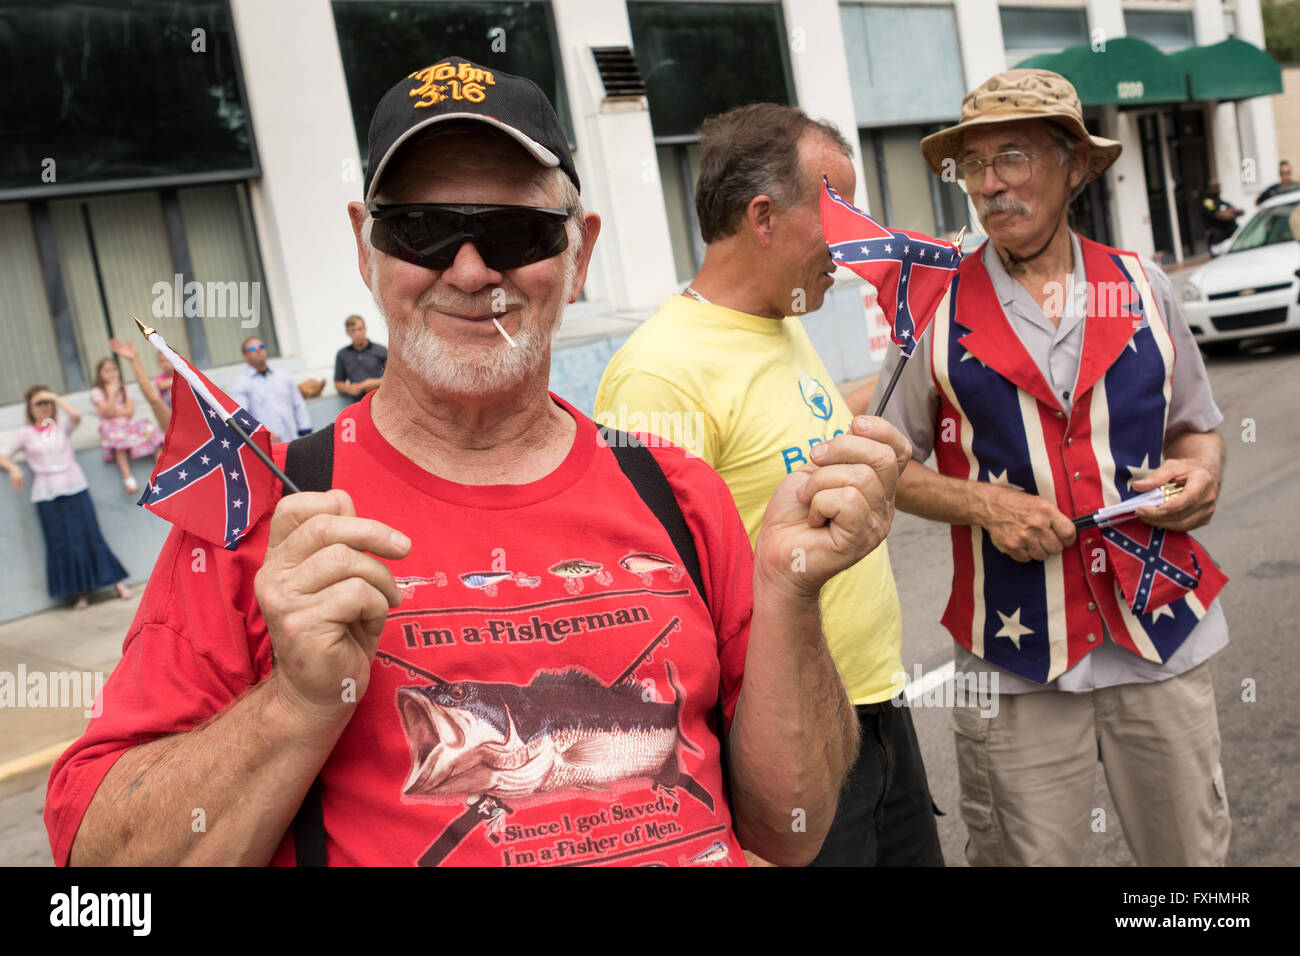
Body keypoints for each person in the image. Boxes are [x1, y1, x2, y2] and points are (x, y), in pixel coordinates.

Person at [46, 56, 911, 867]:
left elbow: (790, 831)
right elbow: (100, 863)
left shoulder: (680, 494)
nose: (466, 269)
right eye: (420, 229)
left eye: (514, 229)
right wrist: (296, 705)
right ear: (365, 248)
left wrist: (794, 596)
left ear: (579, 255)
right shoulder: (272, 515)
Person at [881, 68, 1231, 866]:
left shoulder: (1143, 287)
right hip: (1014, 660)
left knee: (1192, 874)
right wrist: (983, 505)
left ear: (1074, 165)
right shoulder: (929, 305)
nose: (990, 185)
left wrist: (1203, 477)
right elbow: (886, 465)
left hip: (1161, 636)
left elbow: (1200, 432)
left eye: (1014, 157)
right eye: (973, 166)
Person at [596, 103, 942, 867]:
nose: (854, 246)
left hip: (872, 712)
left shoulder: (783, 323)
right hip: (788, 751)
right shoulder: (660, 373)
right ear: (764, 216)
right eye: (840, 212)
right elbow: (650, 607)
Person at [1, 386, 130, 610]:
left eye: (46, 402)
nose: (43, 408)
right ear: (30, 408)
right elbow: (3, 454)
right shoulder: (25, 434)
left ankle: (115, 582)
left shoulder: (60, 427)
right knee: (63, 542)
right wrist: (13, 468)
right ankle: (81, 592)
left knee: (90, 534)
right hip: (46, 493)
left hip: (75, 486)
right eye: (38, 404)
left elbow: (76, 416)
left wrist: (55, 398)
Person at [90, 356, 163, 494]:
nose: (112, 373)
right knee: (118, 441)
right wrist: (111, 394)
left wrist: (110, 412)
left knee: (151, 431)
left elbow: (129, 411)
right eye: (107, 371)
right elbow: (107, 412)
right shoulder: (97, 392)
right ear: (100, 374)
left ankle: (162, 471)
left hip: (127, 424)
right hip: (111, 428)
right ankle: (128, 478)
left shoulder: (125, 388)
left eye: (114, 369)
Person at [228, 336, 312, 444]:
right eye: (253, 349)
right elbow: (240, 416)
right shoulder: (240, 383)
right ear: (245, 356)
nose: (259, 350)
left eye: (261, 346)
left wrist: (305, 430)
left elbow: (298, 404)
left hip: (293, 440)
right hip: (266, 445)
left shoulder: (283, 376)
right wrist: (263, 433)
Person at [108, 338, 171, 431]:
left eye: (167, 359)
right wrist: (134, 360)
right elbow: (154, 397)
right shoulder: (161, 379)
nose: (165, 364)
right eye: (162, 361)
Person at [334, 314, 387, 401]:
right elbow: (338, 383)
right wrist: (349, 389)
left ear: (365, 329)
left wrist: (374, 383)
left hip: (382, 400)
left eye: (360, 329)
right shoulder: (342, 355)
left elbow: (395, 378)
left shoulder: (381, 350)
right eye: (353, 330)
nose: (357, 333)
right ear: (348, 333)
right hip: (358, 404)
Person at [1200, 180, 1242, 246]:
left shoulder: (1221, 201)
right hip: (1218, 239)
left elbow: (1239, 211)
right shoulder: (1208, 202)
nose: (1217, 189)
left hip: (1231, 236)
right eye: (1215, 187)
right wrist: (1229, 213)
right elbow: (1220, 216)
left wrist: (1228, 213)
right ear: (1208, 189)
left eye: (1218, 186)